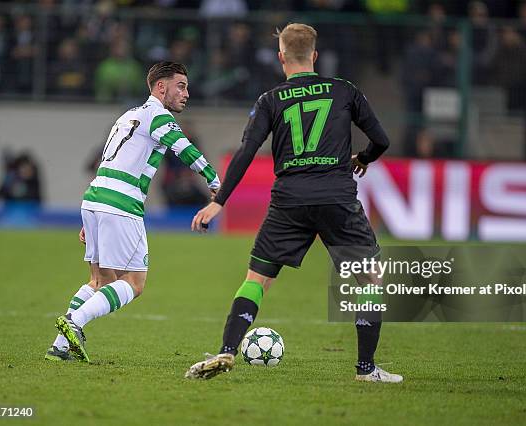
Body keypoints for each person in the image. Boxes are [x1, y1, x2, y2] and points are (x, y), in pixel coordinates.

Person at [185, 23, 402, 383]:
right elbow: (381, 140)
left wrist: (219, 201)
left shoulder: (271, 99)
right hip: (336, 197)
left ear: (281, 57)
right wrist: (362, 157)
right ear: (314, 56)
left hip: (290, 201)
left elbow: (247, 152)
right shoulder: (344, 91)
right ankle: (366, 369)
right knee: (368, 281)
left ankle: (226, 349)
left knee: (257, 279)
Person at [47, 61, 220, 363]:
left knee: (99, 282)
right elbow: (185, 149)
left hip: (96, 198)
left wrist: (95, 214)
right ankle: (75, 324)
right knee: (134, 283)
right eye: (181, 86)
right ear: (160, 87)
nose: (187, 93)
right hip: (121, 204)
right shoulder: (158, 115)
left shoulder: (128, 116)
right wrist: (215, 182)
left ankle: (60, 345)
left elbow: (109, 160)